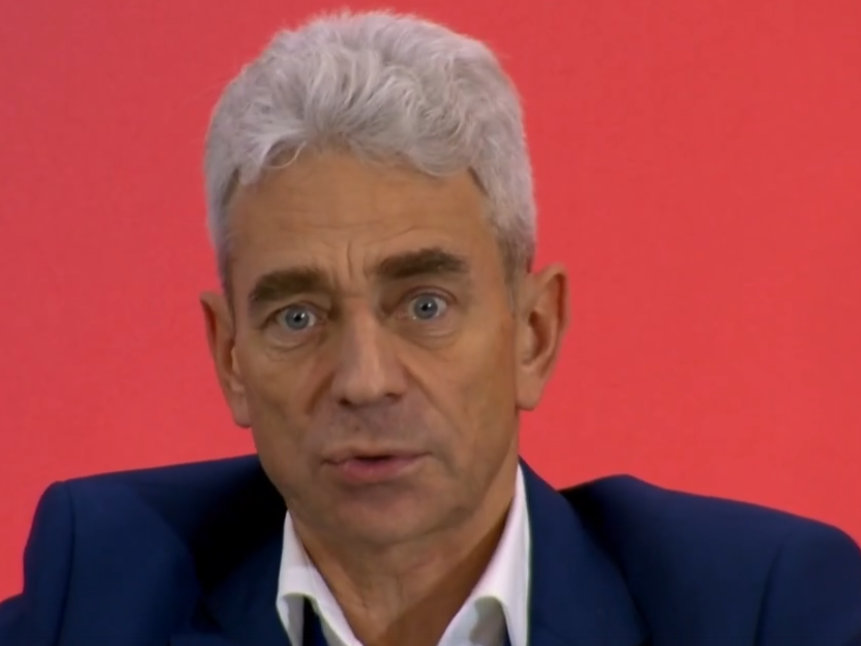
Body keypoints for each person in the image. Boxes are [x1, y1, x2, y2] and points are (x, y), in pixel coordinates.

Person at [1, 10, 860, 646]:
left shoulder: (758, 609)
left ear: (532, 333)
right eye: (297, 316)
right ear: (231, 358)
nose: (364, 380)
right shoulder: (107, 593)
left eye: (424, 306)